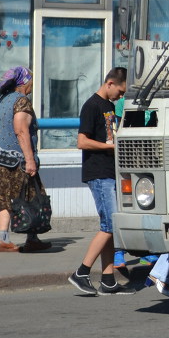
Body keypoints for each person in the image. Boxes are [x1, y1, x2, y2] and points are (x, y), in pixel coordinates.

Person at [67, 67, 135, 296]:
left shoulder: (110, 107)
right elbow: (82, 142)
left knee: (110, 227)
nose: (121, 96)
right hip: (98, 173)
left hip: (110, 172)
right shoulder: (92, 106)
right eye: (121, 91)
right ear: (110, 83)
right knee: (109, 225)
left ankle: (108, 280)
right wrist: (110, 147)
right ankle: (82, 272)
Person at [0, 66, 49, 253]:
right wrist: (30, 160)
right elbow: (21, 131)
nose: (32, 85)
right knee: (29, 196)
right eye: (31, 81)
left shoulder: (3, 100)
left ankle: (4, 239)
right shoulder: (21, 101)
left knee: (5, 199)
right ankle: (30, 238)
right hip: (15, 160)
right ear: (24, 82)